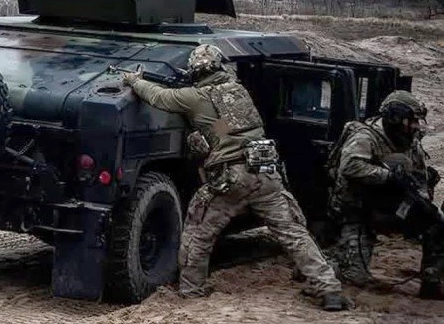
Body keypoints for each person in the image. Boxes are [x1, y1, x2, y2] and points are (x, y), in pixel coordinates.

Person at [121, 44, 350, 311]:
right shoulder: (237, 91)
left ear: (196, 71)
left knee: (198, 233)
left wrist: (135, 81)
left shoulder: (195, 96)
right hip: (266, 174)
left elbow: (160, 97)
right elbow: (227, 129)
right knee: (294, 234)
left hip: (232, 178)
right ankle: (329, 289)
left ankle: (192, 290)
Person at [324, 90, 444, 299]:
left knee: (436, 223)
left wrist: (422, 201)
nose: (415, 126)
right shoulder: (365, 137)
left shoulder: (409, 140)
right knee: (354, 276)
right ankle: (323, 262)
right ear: (396, 118)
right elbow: (350, 167)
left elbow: (419, 174)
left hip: (390, 205)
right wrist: (387, 176)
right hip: (358, 210)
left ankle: (431, 281)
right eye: (411, 120)